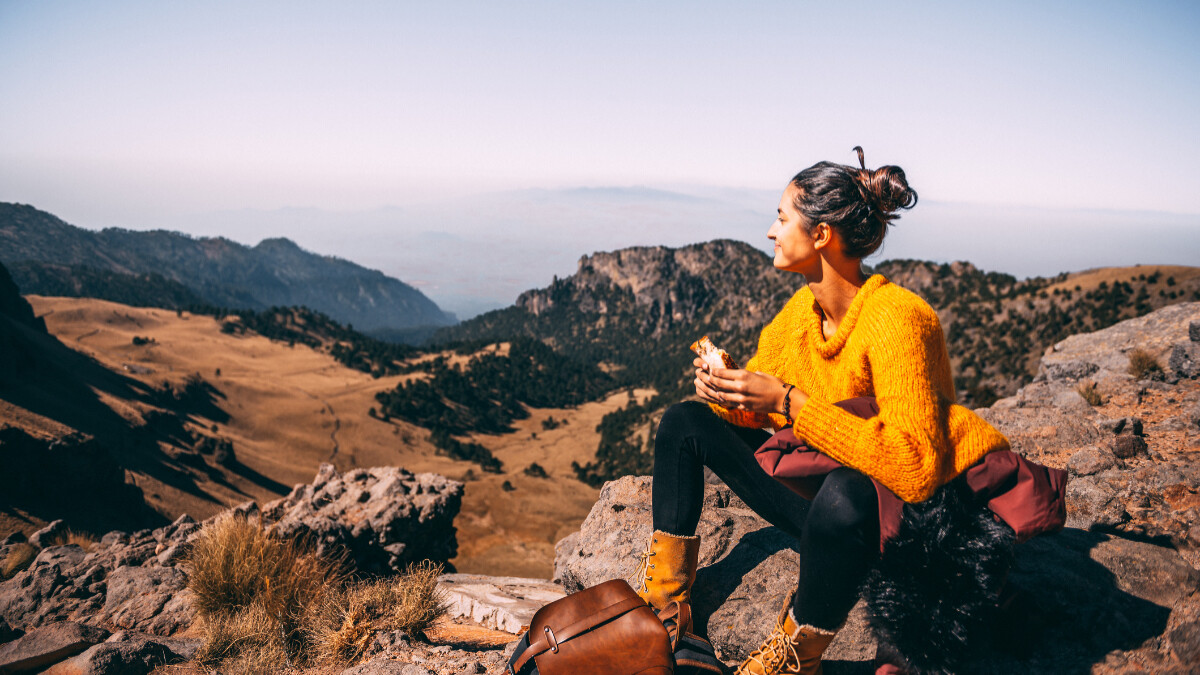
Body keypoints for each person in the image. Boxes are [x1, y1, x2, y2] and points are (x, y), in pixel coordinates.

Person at [632, 148, 1012, 675]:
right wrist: (732, 392)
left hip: (895, 523)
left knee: (845, 491)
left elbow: (916, 467)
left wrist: (788, 402)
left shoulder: (898, 319)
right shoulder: (799, 316)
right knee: (683, 423)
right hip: (823, 505)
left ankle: (794, 657)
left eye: (782, 217)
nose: (770, 230)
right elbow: (760, 413)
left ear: (821, 235)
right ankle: (664, 610)